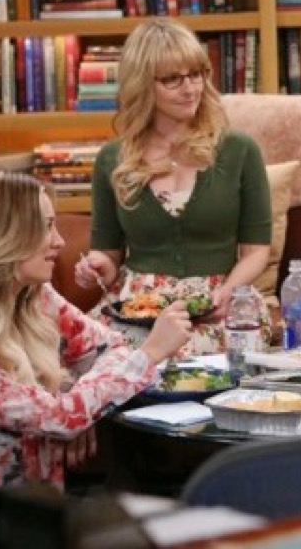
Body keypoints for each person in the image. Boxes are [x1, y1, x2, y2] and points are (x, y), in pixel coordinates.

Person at [0, 172, 193, 548]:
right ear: (6, 236)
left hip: (32, 517)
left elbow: (109, 350)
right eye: (46, 226)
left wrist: (81, 402)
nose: (59, 241)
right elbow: (59, 418)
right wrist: (149, 354)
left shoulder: (39, 298)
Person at [75, 19, 273, 356]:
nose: (190, 88)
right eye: (172, 79)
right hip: (140, 308)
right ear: (141, 84)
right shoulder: (113, 159)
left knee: (194, 356)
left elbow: (256, 251)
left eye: (196, 74)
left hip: (219, 303)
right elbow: (108, 253)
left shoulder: (239, 150)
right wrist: (96, 267)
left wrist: (230, 290)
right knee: (96, 357)